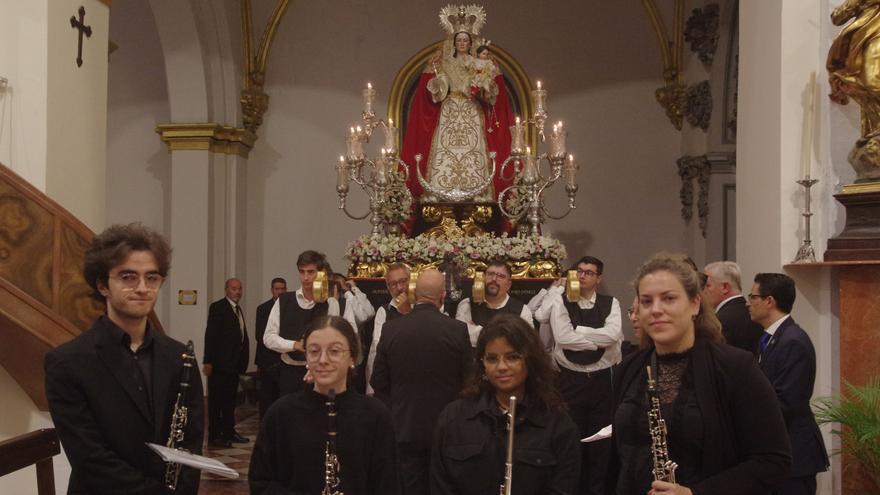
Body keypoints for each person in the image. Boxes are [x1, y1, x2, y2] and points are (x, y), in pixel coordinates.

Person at [607, 253, 792, 495]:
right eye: (646, 301)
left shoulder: (735, 367)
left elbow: (773, 462)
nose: (656, 310)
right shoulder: (629, 369)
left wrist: (694, 493)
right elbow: (617, 461)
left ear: (694, 304)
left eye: (669, 299)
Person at [44, 223, 204, 494]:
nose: (142, 288)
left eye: (151, 278)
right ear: (103, 285)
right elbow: (90, 459)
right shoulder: (67, 362)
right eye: (128, 277)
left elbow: (191, 442)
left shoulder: (180, 356)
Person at [431, 314, 581, 495]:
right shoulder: (454, 418)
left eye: (513, 357)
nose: (501, 367)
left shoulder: (556, 422)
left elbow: (564, 487)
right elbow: (441, 485)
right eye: (492, 359)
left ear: (530, 360)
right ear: (482, 364)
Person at [249, 315, 400, 494]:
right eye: (314, 351)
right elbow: (260, 482)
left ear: (352, 357)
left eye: (334, 351)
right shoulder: (281, 413)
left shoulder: (376, 416)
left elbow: (389, 485)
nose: (322, 360)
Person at [371, 268, 473, 495]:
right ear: (443, 297)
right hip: (448, 430)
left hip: (404, 427)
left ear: (414, 294)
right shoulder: (457, 330)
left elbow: (378, 382)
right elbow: (469, 383)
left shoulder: (391, 329)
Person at [401, 4, 515, 203]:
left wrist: (484, 87)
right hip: (449, 112)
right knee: (443, 152)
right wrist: (437, 84)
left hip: (472, 111)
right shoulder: (443, 62)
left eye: (465, 40)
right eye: (459, 40)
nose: (462, 43)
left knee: (476, 152)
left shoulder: (480, 63)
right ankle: (438, 194)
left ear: (471, 43)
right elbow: (440, 85)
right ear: (454, 43)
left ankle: (480, 194)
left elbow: (492, 94)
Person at [531, 255, 622, 495]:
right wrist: (595, 342)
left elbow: (612, 335)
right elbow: (562, 338)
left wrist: (579, 332)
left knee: (600, 443)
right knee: (571, 440)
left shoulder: (610, 303)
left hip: (601, 381)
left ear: (598, 279)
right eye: (579, 271)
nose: (582, 276)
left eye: (589, 272)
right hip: (571, 381)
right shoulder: (561, 301)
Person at [747, 273, 829, 494]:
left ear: (769, 301)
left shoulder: (793, 341)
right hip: (778, 452)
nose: (748, 302)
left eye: (753, 296)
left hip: (794, 455)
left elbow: (787, 401)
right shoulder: (772, 338)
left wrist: (745, 418)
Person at [263, 250, 347, 395]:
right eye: (302, 272)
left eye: (311, 272)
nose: (306, 277)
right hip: (290, 371)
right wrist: (294, 345)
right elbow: (268, 337)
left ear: (321, 274)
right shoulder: (284, 301)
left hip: (321, 371)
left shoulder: (330, 303)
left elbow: (334, 339)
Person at [203, 278, 250, 448]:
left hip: (233, 365)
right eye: (234, 288)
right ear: (226, 290)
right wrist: (207, 361)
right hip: (219, 365)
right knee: (217, 402)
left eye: (239, 288)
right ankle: (215, 436)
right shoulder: (218, 307)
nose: (237, 292)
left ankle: (229, 431)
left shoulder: (237, 309)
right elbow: (211, 336)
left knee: (230, 401)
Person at [456, 260, 534, 346]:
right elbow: (461, 338)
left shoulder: (522, 310)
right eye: (490, 274)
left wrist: (478, 332)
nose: (494, 279)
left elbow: (526, 343)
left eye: (501, 276)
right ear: (483, 278)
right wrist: (507, 335)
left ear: (508, 285)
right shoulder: (467, 304)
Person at [366, 263, 412, 395]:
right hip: (391, 379)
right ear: (388, 287)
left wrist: (407, 313)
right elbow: (379, 347)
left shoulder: (423, 306)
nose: (400, 288)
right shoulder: (384, 311)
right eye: (393, 284)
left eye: (403, 281)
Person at [703, 261, 763, 354]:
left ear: (725, 287)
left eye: (707, 286)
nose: (703, 291)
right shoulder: (756, 314)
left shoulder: (718, 322)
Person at [255, 277, 287, 418]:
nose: (280, 292)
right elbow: (260, 335)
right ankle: (265, 425)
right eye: (277, 289)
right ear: (271, 290)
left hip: (284, 358)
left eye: (282, 289)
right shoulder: (263, 308)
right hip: (267, 359)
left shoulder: (290, 306)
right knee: (267, 395)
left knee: (283, 394)